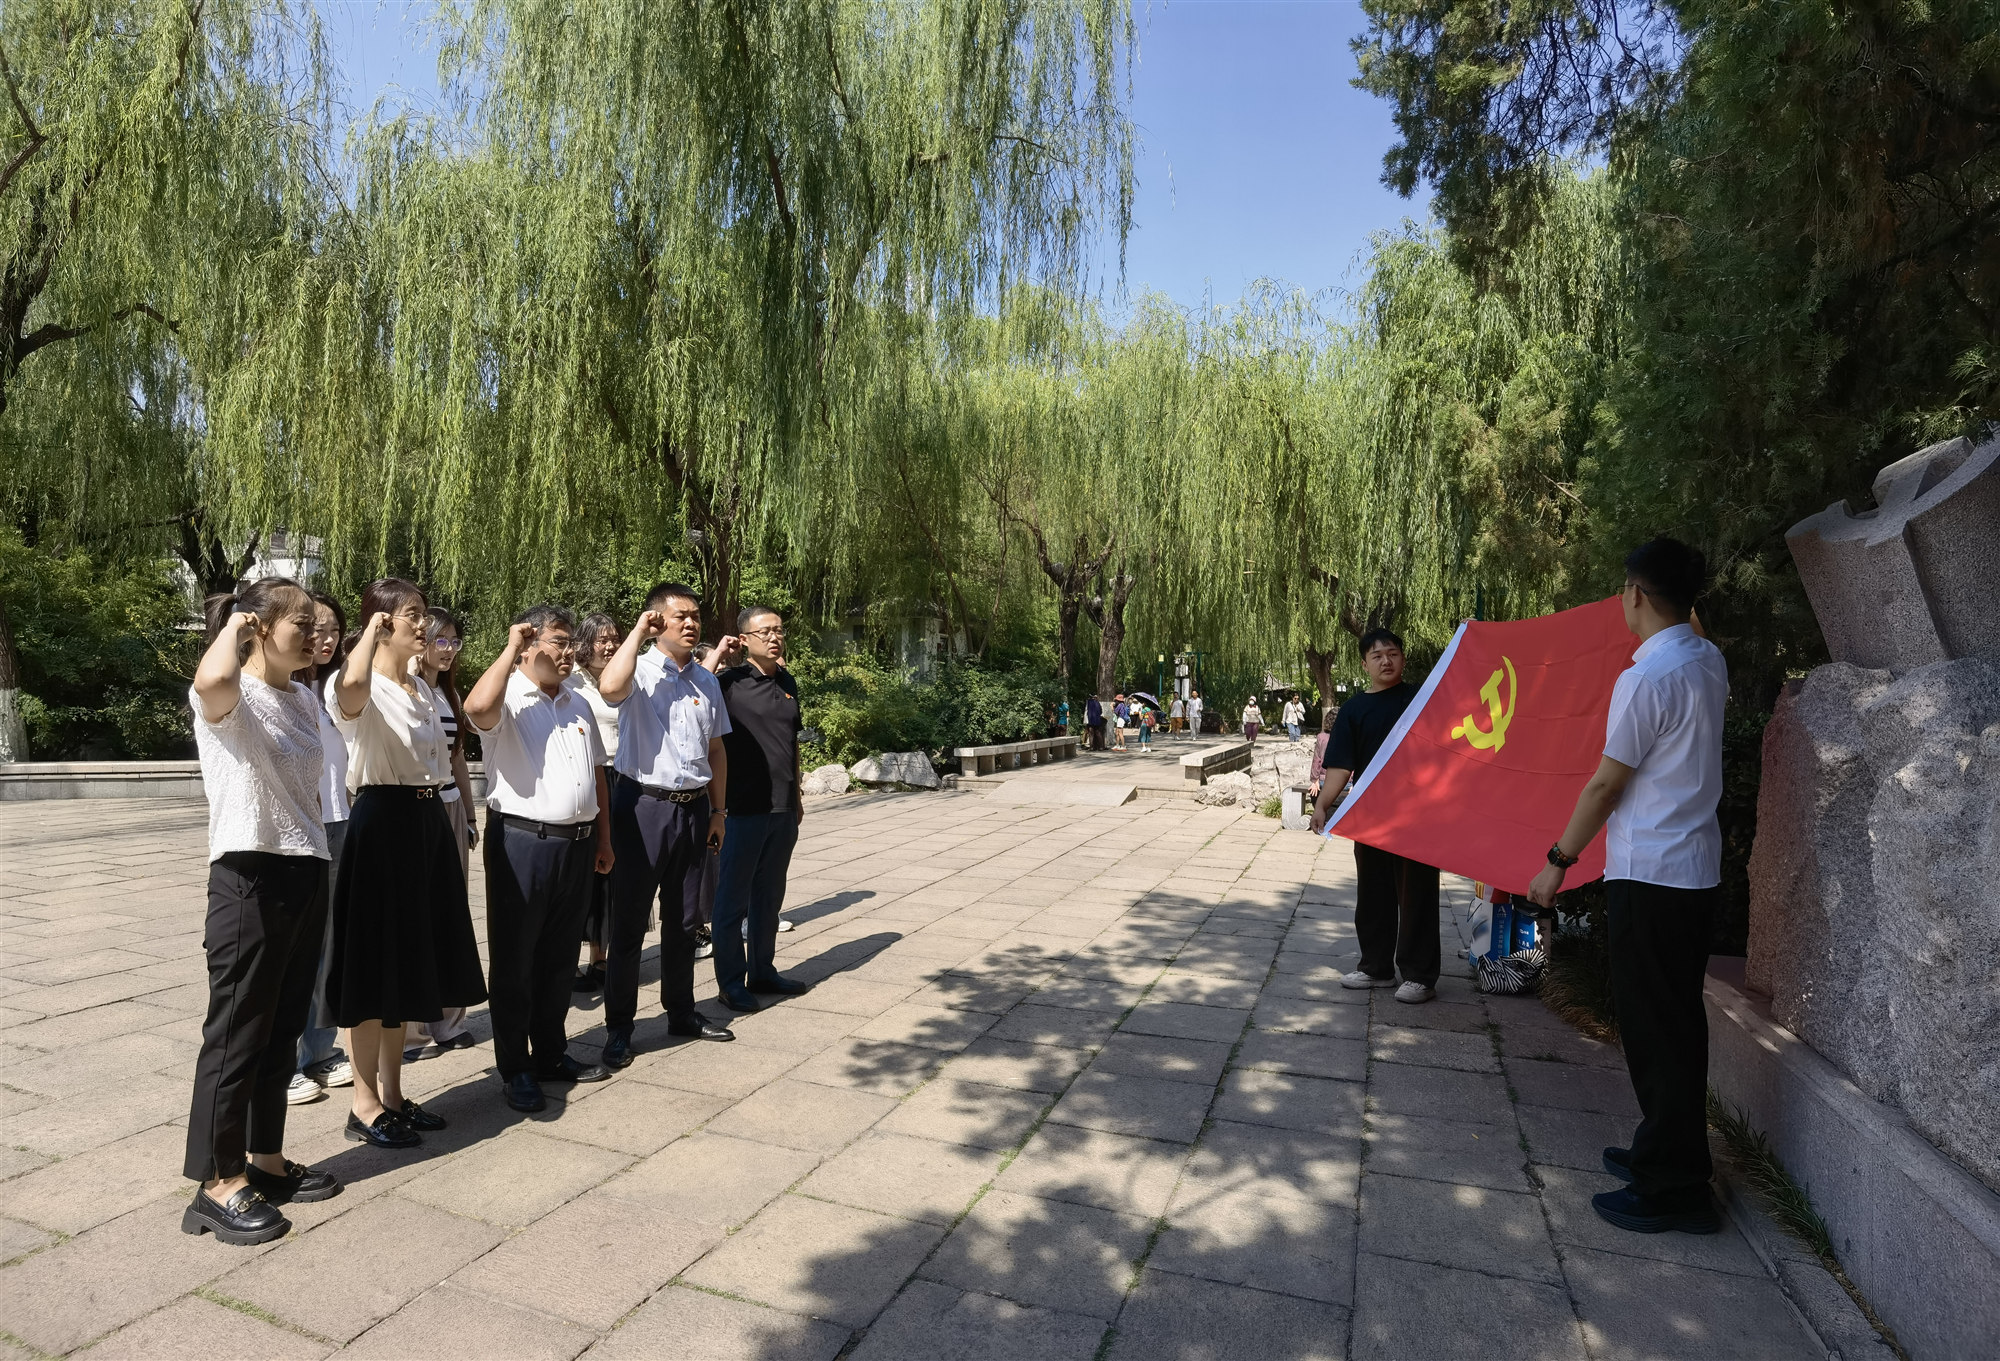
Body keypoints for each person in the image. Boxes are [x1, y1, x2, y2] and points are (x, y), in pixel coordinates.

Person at [1527, 538, 1728, 1236]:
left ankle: (1675, 1186)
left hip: (1651, 874)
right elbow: (1691, 629)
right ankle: (1665, 1149)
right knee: (1675, 1022)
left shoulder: (1646, 680)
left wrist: (1558, 859)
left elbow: (1606, 784)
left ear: (1636, 594)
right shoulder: (1706, 661)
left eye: (1624, 588)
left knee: (1655, 1029)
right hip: (1692, 871)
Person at [182, 577, 342, 1245]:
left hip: (304, 868)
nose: (314, 632)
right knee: (237, 1032)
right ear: (258, 627)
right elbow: (212, 678)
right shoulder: (230, 693)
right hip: (249, 876)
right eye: (300, 622)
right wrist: (234, 626)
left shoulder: (302, 696)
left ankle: (265, 1159)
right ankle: (217, 1182)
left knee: (281, 1028)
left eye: (316, 621)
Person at [328, 578, 487, 1149]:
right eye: (411, 615)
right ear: (382, 623)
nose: (423, 625)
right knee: (374, 970)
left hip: (425, 820)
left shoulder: (421, 688)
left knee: (410, 964)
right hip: (382, 823)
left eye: (422, 613)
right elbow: (349, 693)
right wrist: (368, 634)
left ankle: (394, 1094)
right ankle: (363, 1102)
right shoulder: (360, 683)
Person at [464, 605, 616, 1113]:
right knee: (515, 959)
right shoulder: (509, 695)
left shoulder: (578, 703)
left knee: (559, 959)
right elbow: (475, 709)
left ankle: (551, 1052)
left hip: (577, 844)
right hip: (523, 842)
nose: (569, 651)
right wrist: (510, 649)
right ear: (530, 645)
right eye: (558, 641)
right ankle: (515, 1067)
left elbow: (597, 774)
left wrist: (603, 839)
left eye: (572, 642)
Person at [597, 582, 737, 1063]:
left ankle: (681, 1011)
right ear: (658, 621)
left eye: (695, 615)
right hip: (642, 806)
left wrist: (718, 812)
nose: (691, 623)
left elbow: (716, 750)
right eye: (680, 616)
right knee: (630, 922)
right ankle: (619, 1028)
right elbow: (609, 688)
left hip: (694, 808)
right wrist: (637, 632)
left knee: (685, 919)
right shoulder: (638, 670)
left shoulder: (706, 680)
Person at [1310, 630, 1441, 1005]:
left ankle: (1419, 975)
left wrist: (1469, 638)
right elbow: (1341, 765)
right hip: (1372, 815)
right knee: (1373, 892)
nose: (1386, 661)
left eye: (1393, 653)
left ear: (1403, 659)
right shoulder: (1354, 709)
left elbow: (1463, 689)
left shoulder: (1422, 699)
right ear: (1364, 664)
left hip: (1418, 815)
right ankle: (1376, 967)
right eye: (1377, 655)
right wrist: (1322, 805)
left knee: (1417, 894)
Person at [705, 606, 813, 1012]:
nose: (774, 637)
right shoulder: (728, 683)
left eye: (779, 630)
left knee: (769, 897)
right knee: (732, 900)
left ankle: (762, 971)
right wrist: (719, 654)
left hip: (782, 807)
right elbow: (694, 697)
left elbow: (792, 741)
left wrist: (796, 797)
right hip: (742, 808)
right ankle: (731, 982)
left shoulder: (787, 681)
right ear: (744, 639)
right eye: (764, 631)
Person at [288, 593, 354, 1107]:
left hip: (338, 823)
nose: (325, 639)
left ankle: (319, 1049)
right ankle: (283, 1060)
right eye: (316, 629)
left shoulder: (334, 690)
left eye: (333, 631)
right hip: (295, 831)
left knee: (330, 946)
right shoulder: (281, 689)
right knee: (294, 950)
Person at [405, 607, 477, 1058]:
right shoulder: (403, 689)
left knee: (451, 914)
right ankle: (412, 1030)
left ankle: (450, 1020)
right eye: (440, 640)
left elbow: (457, 759)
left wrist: (469, 815)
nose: (448, 650)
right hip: (416, 808)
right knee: (417, 916)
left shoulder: (448, 694)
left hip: (449, 806)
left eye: (454, 641)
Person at [565, 611, 623, 994]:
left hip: (623, 779)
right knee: (584, 872)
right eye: (603, 639)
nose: (610, 645)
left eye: (615, 638)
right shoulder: (572, 682)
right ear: (586, 643)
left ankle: (601, 957)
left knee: (613, 874)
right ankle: (569, 956)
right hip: (589, 780)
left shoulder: (624, 679)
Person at [1307, 708, 1335, 800]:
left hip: (1324, 780)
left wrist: (1315, 780)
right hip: (1345, 782)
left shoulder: (1321, 737)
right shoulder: (1348, 737)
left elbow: (1316, 760)